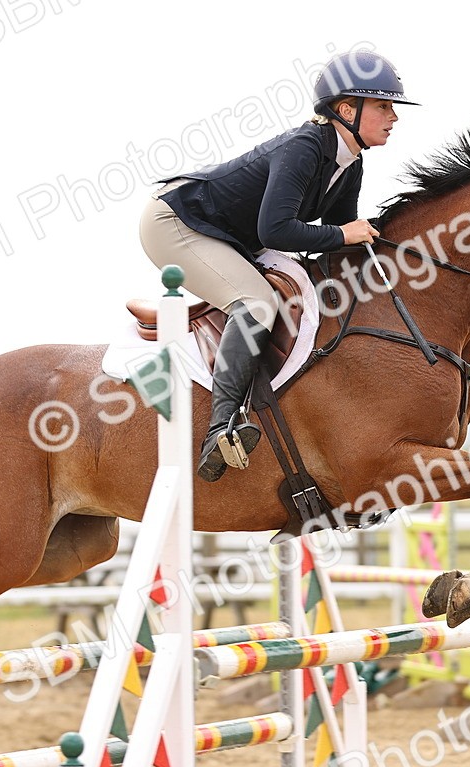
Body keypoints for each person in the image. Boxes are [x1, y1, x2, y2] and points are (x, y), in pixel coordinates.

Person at [139, 51, 416, 482]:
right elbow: (277, 231)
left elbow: (337, 238)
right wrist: (345, 234)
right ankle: (220, 429)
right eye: (383, 106)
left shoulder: (350, 163)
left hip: (228, 235)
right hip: (177, 224)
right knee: (256, 302)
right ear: (347, 110)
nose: (394, 117)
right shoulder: (304, 148)